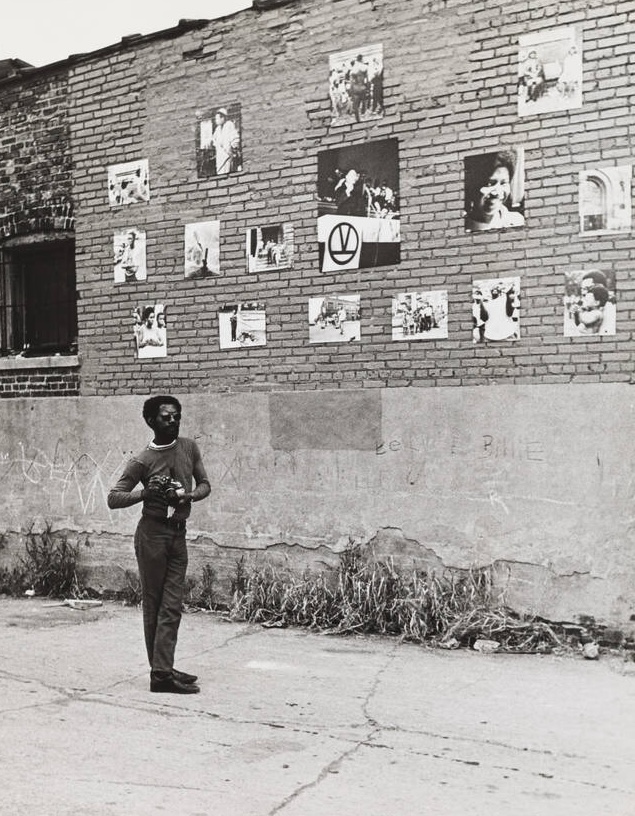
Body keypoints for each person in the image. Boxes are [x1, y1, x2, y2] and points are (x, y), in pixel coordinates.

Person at [107, 396, 211, 694]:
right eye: (166, 417)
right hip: (152, 536)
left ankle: (162, 667)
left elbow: (205, 484)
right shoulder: (142, 460)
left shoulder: (189, 447)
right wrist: (144, 493)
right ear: (151, 421)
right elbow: (114, 498)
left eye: (177, 416)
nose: (173, 421)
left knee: (173, 605)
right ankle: (161, 676)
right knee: (155, 605)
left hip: (178, 535)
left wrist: (189, 496)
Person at [465, 152, 525, 231]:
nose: (496, 192)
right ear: (472, 187)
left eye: (503, 183)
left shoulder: (517, 221)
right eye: (489, 184)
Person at [212, 108, 241, 175]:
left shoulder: (229, 124)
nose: (216, 121)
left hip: (227, 153)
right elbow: (214, 139)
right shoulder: (217, 129)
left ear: (222, 118)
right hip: (220, 154)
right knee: (220, 170)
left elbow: (234, 136)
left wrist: (234, 145)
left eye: (217, 119)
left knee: (227, 169)